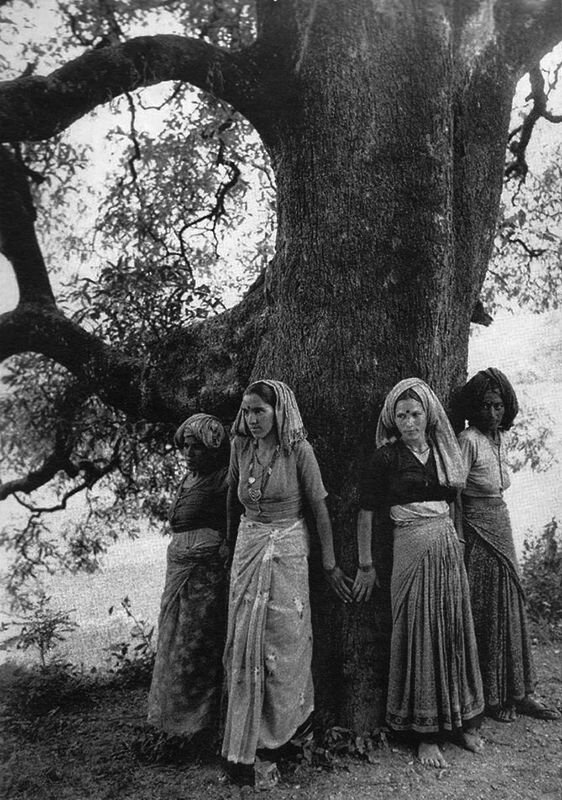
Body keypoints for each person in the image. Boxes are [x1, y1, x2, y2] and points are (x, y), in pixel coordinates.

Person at [222, 379, 352, 784]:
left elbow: (319, 507)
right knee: (247, 643)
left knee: (283, 645)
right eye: (247, 411)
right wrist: (230, 544)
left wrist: (330, 563)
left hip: (289, 551)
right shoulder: (241, 448)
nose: (253, 418)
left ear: (280, 412)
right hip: (248, 549)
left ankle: (284, 737)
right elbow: (231, 501)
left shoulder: (299, 451)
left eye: (260, 410)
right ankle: (247, 741)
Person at [355, 378, 484, 768]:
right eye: (401, 414)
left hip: (447, 545)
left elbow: (455, 506)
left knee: (452, 628)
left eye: (415, 413)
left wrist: (458, 543)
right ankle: (425, 734)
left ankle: (460, 720)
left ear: (428, 416)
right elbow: (365, 512)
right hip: (410, 545)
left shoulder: (444, 453)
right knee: (419, 630)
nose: (409, 421)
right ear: (392, 419)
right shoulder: (386, 458)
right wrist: (365, 564)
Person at [456, 367, 560, 723]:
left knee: (511, 602)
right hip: (477, 528)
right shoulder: (468, 440)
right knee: (486, 606)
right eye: (486, 406)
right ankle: (493, 695)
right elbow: (454, 491)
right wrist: (458, 534)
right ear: (474, 406)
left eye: (499, 406)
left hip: (501, 521)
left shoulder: (499, 439)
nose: (493, 413)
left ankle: (520, 689)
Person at [147, 413, 230, 742]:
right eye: (185, 447)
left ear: (213, 450)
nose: (188, 454)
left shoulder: (221, 479)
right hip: (180, 566)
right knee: (173, 637)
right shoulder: (188, 479)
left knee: (196, 643)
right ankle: (172, 721)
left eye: (196, 448)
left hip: (204, 573)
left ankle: (197, 725)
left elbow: (231, 524)